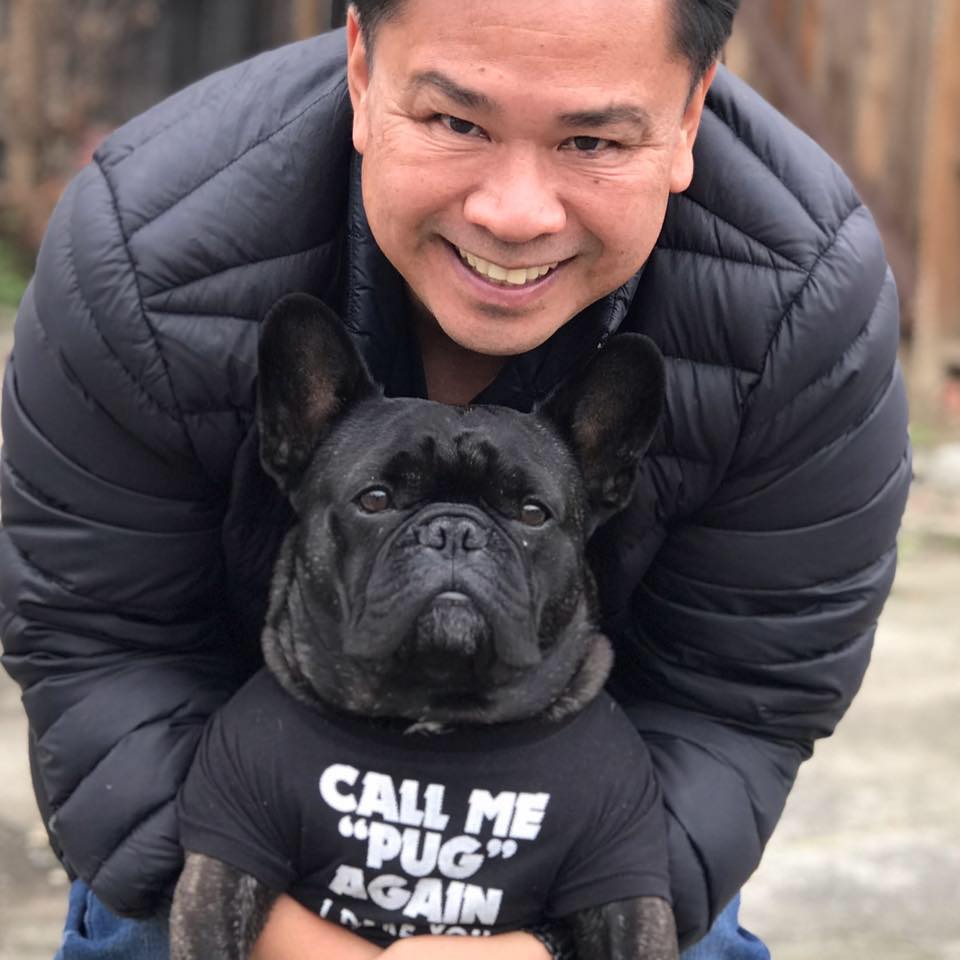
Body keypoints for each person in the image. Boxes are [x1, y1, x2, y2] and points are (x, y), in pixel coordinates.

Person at [0, 0, 910, 957]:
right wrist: (284, 937)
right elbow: (96, 642)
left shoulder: (801, 306)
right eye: (456, 122)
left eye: (592, 141)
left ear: (690, 115)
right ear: (360, 68)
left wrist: (547, 948)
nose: (514, 213)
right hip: (236, 804)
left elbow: (739, 698)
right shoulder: (148, 249)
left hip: (589, 817)